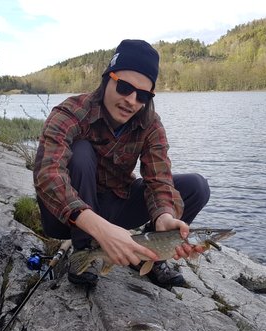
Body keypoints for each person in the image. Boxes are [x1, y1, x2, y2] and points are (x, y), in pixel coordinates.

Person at [33, 39, 211, 288]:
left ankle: (150, 256)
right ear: (108, 79)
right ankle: (84, 252)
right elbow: (47, 173)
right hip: (68, 217)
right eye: (125, 87)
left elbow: (159, 179)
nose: (132, 100)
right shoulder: (71, 112)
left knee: (196, 186)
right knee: (81, 152)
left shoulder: (150, 123)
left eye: (143, 95)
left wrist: (164, 216)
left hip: (114, 206)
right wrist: (98, 228)